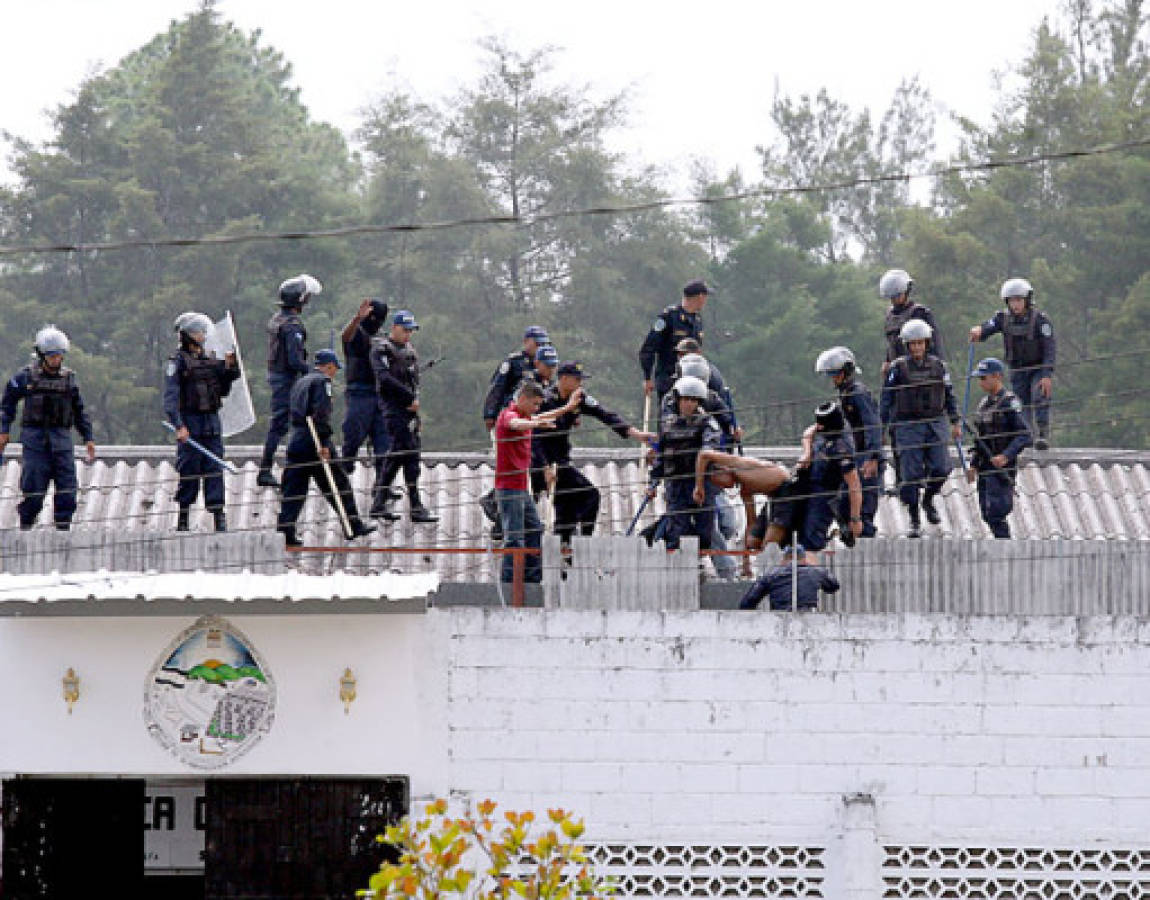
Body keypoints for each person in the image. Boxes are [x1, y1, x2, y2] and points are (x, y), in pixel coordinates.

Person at [533, 361, 653, 546]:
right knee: (587, 496)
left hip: (561, 462)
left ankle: (569, 549)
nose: (580, 384)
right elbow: (535, 439)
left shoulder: (579, 399)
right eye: (577, 379)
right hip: (540, 463)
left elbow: (606, 415)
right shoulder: (546, 400)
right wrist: (545, 468)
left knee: (571, 506)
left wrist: (637, 435)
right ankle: (580, 546)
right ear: (563, 379)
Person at [276, 350, 377, 547]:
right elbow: (320, 412)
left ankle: (285, 531)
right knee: (338, 483)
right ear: (329, 366)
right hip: (314, 438)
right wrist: (323, 442)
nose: (334, 373)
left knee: (294, 489)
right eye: (334, 369)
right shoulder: (323, 382)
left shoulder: (300, 382)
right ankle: (353, 525)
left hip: (296, 439)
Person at [0, 326, 96, 530]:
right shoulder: (25, 378)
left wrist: (88, 437)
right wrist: (4, 430)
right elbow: (7, 404)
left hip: (61, 441)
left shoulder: (69, 380)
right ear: (42, 356)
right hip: (35, 441)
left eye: (59, 356)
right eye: (51, 356)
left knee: (67, 492)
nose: (55, 360)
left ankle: (63, 531)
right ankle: (26, 526)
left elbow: (79, 410)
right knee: (33, 492)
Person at [494, 379, 582, 584]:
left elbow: (542, 416)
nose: (536, 409)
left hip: (521, 488)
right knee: (515, 538)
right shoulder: (509, 416)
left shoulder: (526, 416)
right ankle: (510, 583)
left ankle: (532, 579)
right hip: (509, 488)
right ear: (522, 399)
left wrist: (568, 408)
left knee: (535, 529)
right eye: (534, 404)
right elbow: (516, 424)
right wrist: (536, 423)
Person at [880, 319, 962, 538]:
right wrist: (882, 428)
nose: (917, 348)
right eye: (913, 344)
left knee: (942, 468)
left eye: (920, 343)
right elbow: (886, 398)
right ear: (907, 345)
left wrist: (955, 421)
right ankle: (915, 517)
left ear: (927, 343)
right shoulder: (898, 368)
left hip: (935, 422)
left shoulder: (939, 366)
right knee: (910, 475)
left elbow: (949, 394)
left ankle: (928, 500)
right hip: (907, 425)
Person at [163, 312, 240, 532]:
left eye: (202, 331)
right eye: (197, 332)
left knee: (214, 469)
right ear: (186, 335)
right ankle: (183, 516)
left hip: (212, 423)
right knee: (189, 470)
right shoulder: (177, 363)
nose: (202, 335)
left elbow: (224, 387)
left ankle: (218, 516)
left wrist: (230, 366)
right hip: (191, 422)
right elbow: (170, 398)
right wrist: (179, 425)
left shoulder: (209, 360)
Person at [969, 277, 1056, 450]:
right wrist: (979, 331)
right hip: (1017, 369)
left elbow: (1049, 348)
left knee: (1039, 396)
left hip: (1038, 368)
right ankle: (1026, 436)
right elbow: (989, 327)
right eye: (1011, 301)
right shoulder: (1003, 318)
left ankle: (1042, 434)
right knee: (1021, 403)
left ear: (1027, 300)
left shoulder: (1040, 320)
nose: (1015, 304)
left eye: (1019, 300)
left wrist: (1047, 374)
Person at [370, 310, 438, 523]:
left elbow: (414, 380)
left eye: (410, 331)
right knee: (404, 454)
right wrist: (408, 397)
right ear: (394, 328)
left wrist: (414, 401)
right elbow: (384, 378)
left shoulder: (410, 351)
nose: (408, 334)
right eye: (404, 330)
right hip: (394, 409)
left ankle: (382, 502)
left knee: (404, 455)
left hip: (410, 411)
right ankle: (412, 505)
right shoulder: (382, 349)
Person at [258, 273, 322, 487]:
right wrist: (313, 372)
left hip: (277, 376)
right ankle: (266, 469)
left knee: (284, 423)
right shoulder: (292, 325)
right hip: (286, 379)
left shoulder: (277, 318)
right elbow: (295, 359)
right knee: (281, 424)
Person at [646, 375, 719, 553]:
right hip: (676, 485)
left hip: (701, 485)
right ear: (678, 400)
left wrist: (700, 483)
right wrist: (653, 483)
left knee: (704, 532)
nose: (688, 404)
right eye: (685, 399)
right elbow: (662, 456)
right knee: (676, 531)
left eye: (693, 400)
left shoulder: (708, 424)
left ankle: (700, 564)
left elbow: (710, 450)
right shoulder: (668, 424)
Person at [815, 346, 882, 538]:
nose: (833, 379)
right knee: (843, 502)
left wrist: (872, 457)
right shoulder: (845, 394)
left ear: (845, 373)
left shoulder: (858, 393)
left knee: (864, 512)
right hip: (857, 455)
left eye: (835, 374)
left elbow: (872, 424)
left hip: (867, 457)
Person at [693, 449, 790, 576]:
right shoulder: (745, 489)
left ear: (722, 470)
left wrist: (699, 487)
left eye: (717, 482)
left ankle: (774, 576)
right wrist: (746, 562)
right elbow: (751, 523)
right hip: (774, 498)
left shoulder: (739, 464)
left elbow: (704, 454)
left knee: (769, 543)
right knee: (753, 541)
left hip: (787, 490)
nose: (721, 487)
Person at [966, 357, 1032, 538]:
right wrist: (973, 465)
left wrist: (1006, 456)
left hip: (1002, 468)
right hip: (986, 467)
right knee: (987, 514)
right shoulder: (983, 406)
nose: (981, 382)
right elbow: (980, 441)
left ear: (997, 377)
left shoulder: (1010, 402)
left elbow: (1025, 435)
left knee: (997, 511)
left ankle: (1005, 544)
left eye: (983, 378)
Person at [340, 298, 393, 515]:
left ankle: (381, 492)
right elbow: (346, 337)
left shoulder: (382, 340)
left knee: (384, 446)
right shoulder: (358, 333)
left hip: (380, 395)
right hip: (359, 393)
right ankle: (342, 479)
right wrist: (357, 319)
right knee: (352, 439)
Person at [798, 402, 863, 551]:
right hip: (808, 485)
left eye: (821, 425)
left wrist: (855, 519)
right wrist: (807, 453)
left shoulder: (842, 448)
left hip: (825, 494)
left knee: (811, 538)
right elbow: (808, 433)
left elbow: (854, 485)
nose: (818, 427)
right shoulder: (829, 425)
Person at [640, 279, 709, 401]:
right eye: (705, 296)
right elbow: (649, 348)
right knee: (669, 416)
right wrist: (647, 377)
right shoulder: (669, 316)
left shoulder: (697, 320)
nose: (706, 300)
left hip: (693, 381)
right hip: (669, 379)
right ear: (700, 296)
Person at [879, 268, 944, 377]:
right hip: (898, 370)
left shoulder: (919, 312)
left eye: (898, 295)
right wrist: (887, 361)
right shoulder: (889, 315)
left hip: (921, 371)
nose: (894, 300)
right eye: (892, 297)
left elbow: (935, 343)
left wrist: (938, 367)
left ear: (906, 291)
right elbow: (891, 343)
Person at [483, 325, 550, 430]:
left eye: (544, 344)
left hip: (535, 415)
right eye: (538, 344)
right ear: (526, 341)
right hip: (511, 414)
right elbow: (497, 388)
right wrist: (490, 413)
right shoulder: (514, 362)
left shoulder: (546, 364)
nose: (541, 347)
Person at [737, 544, 840, 611]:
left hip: (779, 619)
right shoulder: (815, 572)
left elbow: (747, 603)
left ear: (784, 559)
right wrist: (815, 568)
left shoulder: (770, 575)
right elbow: (834, 585)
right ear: (804, 559)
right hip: (809, 620)